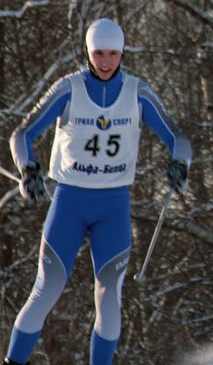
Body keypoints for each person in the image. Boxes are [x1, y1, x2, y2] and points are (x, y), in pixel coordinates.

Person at [4, 18, 192, 365]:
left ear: (122, 53)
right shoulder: (69, 88)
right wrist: (28, 170)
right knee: (46, 290)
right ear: (88, 53)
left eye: (112, 54)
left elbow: (178, 138)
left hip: (114, 207)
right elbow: (22, 134)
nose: (105, 62)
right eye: (98, 54)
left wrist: (179, 164)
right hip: (70, 202)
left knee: (108, 297)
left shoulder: (138, 92)